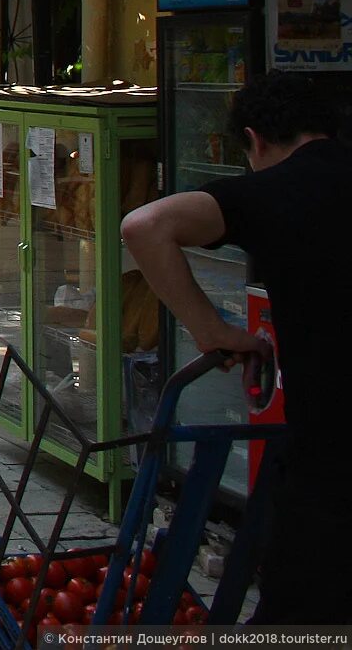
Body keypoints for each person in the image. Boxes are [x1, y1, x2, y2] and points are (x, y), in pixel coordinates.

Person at [119, 72, 350, 626]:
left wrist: (210, 329)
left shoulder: (275, 188)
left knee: (302, 613)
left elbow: (144, 226)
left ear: (256, 140)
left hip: (331, 451)